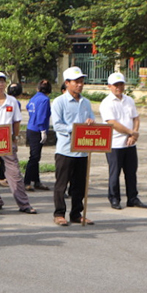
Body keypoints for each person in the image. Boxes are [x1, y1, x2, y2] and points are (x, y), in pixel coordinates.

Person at [51, 67, 98, 226]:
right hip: (65, 150)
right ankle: (59, 213)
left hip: (83, 151)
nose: (79, 85)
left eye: (81, 81)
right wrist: (76, 128)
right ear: (67, 83)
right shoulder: (59, 102)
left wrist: (90, 124)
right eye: (76, 82)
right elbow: (57, 126)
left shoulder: (86, 102)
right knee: (61, 185)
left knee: (80, 185)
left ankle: (76, 213)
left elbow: (92, 120)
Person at [0, 71, 36, 214]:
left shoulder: (12, 101)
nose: (0, 85)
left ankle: (24, 204)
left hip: (6, 140)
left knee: (14, 174)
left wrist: (15, 139)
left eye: (2, 82)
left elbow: (16, 121)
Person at [101, 72, 147, 210]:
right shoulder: (107, 103)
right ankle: (114, 198)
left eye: (121, 84)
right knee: (114, 173)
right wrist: (131, 132)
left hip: (129, 143)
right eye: (116, 85)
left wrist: (133, 136)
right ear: (109, 86)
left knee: (131, 172)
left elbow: (136, 118)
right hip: (114, 143)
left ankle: (133, 198)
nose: (119, 87)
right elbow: (112, 123)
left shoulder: (129, 100)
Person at [24, 80, 52, 192]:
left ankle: (36, 181)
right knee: (34, 157)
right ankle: (26, 181)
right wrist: (43, 130)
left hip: (30, 128)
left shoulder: (34, 97)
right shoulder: (45, 100)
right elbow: (42, 116)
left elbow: (28, 107)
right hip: (37, 130)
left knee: (36, 157)